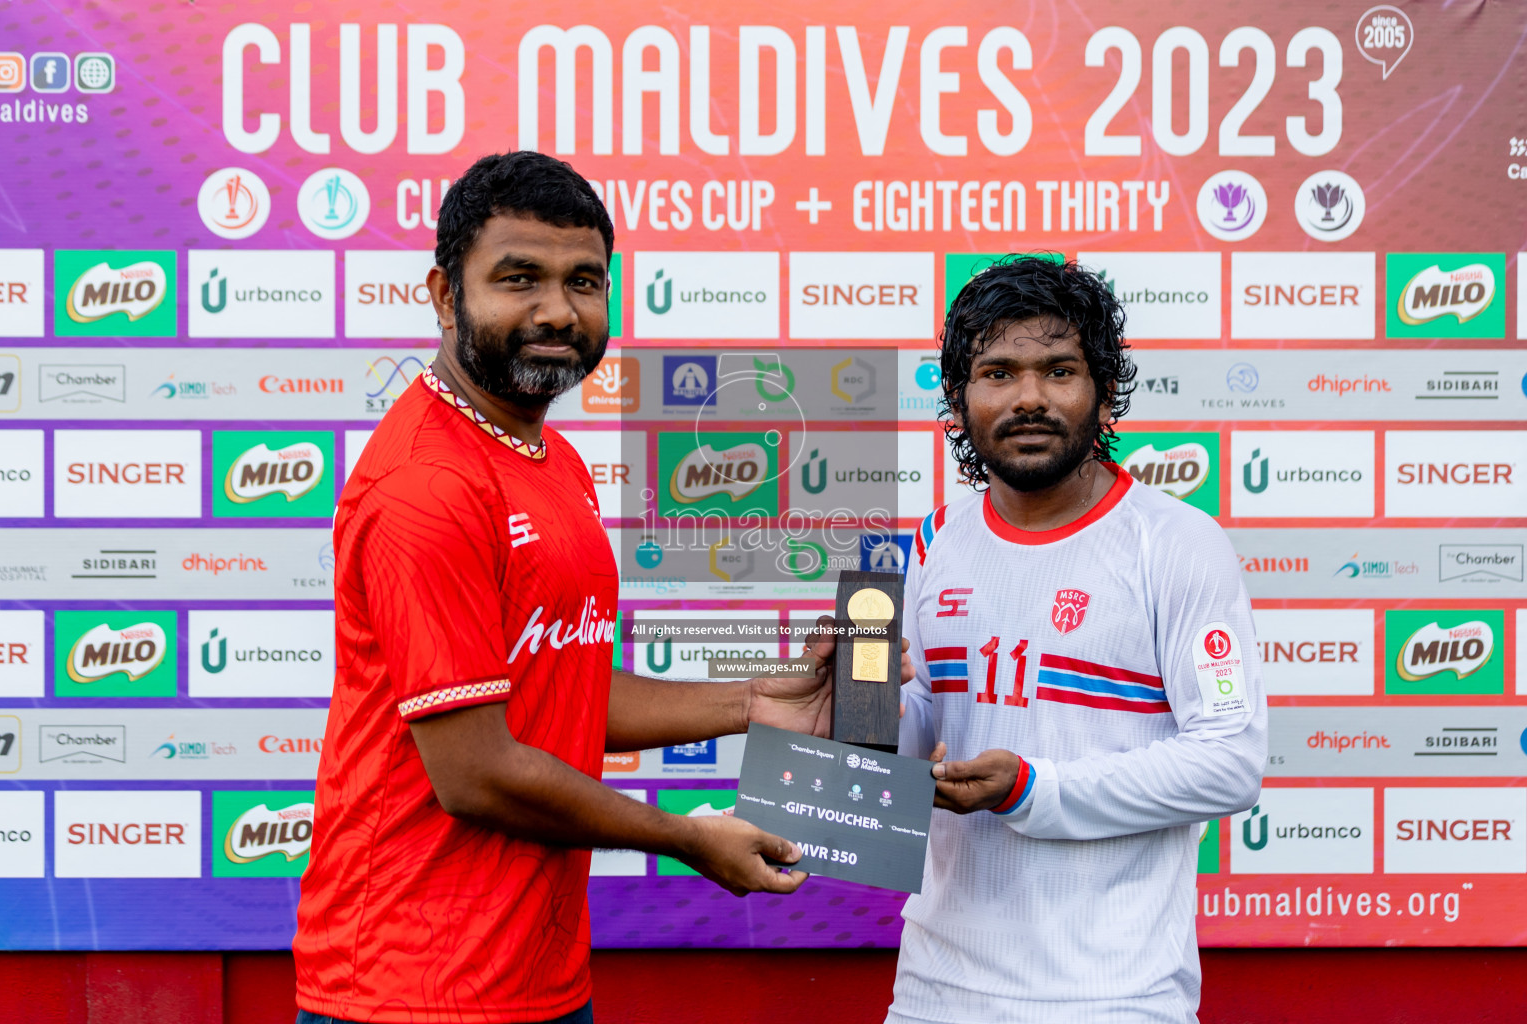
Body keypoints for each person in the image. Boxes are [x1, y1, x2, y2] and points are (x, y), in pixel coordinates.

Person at [293, 151, 906, 1024]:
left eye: (584, 280)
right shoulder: (426, 484)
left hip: (534, 978)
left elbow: (562, 689)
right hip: (407, 989)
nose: (556, 310)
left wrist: (757, 703)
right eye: (519, 278)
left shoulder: (548, 458)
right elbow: (475, 772)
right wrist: (689, 840)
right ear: (442, 292)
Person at [889, 256, 1266, 1024]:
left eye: (1059, 369)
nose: (1029, 398)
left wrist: (1034, 789)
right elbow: (925, 734)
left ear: (1102, 389)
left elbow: (1230, 762)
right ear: (959, 396)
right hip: (935, 987)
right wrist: (858, 712)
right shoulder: (933, 541)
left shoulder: (1177, 544)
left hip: (1113, 997)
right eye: (997, 372)